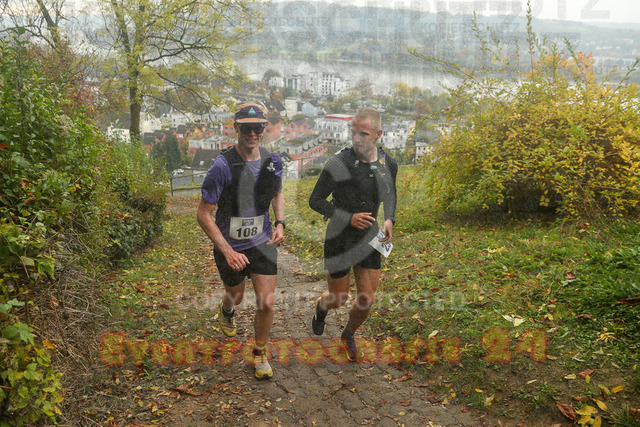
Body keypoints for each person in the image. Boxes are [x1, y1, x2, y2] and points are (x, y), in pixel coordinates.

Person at [197, 103, 285, 379]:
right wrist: (227, 251)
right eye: (246, 128)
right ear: (235, 128)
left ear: (264, 128)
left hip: (263, 244)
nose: (252, 134)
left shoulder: (273, 162)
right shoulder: (222, 166)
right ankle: (227, 307)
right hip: (231, 247)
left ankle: (259, 354)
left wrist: (280, 223)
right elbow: (203, 214)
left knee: (266, 303)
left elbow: (277, 193)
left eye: (258, 128)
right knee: (236, 295)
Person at [309, 107, 398, 361]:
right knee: (338, 298)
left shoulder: (388, 164)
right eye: (353, 132)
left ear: (378, 134)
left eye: (363, 134)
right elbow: (315, 200)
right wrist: (348, 217)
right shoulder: (338, 163)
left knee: (366, 299)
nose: (357, 139)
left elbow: (390, 195)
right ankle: (322, 307)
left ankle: (348, 333)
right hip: (339, 237)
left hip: (370, 237)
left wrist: (389, 219)